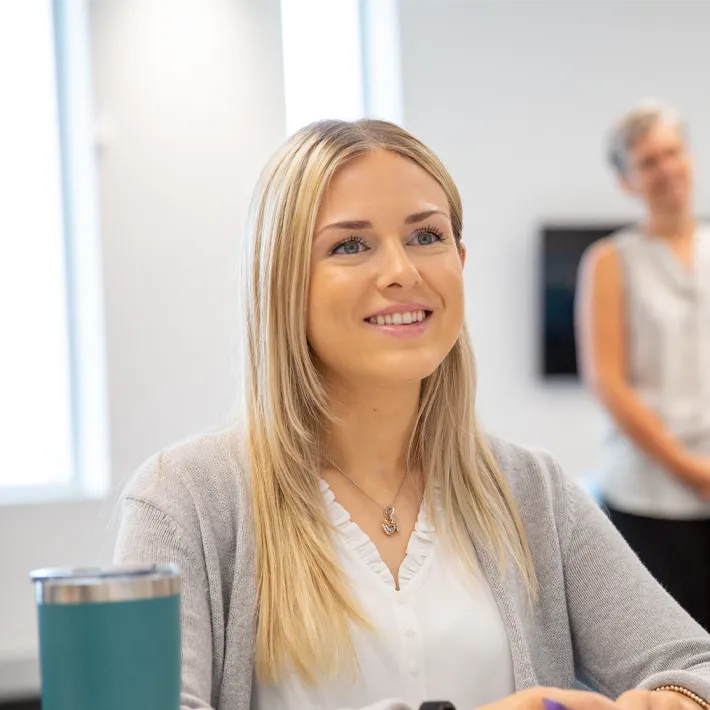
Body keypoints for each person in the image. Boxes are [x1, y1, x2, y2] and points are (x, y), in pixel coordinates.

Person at [115, 119, 710, 710]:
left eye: (427, 237)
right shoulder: (182, 501)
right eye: (351, 245)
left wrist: (673, 702)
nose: (403, 270)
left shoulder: (532, 491)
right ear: (281, 280)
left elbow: (692, 666)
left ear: (460, 258)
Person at [576, 102, 710, 631]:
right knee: (675, 649)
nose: (666, 170)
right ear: (626, 181)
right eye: (647, 161)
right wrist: (693, 470)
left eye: (672, 153)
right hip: (648, 495)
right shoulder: (611, 260)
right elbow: (608, 383)